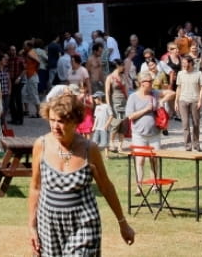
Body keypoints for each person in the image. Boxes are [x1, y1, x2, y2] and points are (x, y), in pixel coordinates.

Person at [28, 91, 134, 256]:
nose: (55, 126)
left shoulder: (89, 149)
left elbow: (106, 187)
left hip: (83, 222)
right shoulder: (41, 145)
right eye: (52, 120)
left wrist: (122, 223)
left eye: (61, 121)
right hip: (48, 224)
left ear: (75, 122)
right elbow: (35, 188)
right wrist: (32, 226)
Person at [126, 71, 176, 189]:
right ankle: (139, 186)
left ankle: (154, 184)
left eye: (152, 81)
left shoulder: (154, 93)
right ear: (142, 83)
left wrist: (161, 101)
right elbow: (130, 116)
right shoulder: (133, 97)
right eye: (149, 81)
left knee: (154, 159)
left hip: (155, 133)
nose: (152, 83)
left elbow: (172, 93)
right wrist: (146, 110)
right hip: (139, 134)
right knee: (140, 160)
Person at [175, 54, 202, 151]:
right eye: (182, 63)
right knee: (185, 124)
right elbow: (178, 88)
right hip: (183, 100)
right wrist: (176, 101)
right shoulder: (180, 74)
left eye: (185, 63)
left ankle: (196, 144)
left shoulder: (198, 74)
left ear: (191, 63)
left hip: (195, 100)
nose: (183, 65)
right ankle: (188, 146)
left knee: (196, 123)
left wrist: (200, 100)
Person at [104, 59, 130, 153]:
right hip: (115, 103)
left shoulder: (123, 76)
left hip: (124, 102)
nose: (123, 67)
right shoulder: (110, 77)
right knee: (115, 124)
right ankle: (111, 142)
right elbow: (107, 92)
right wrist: (108, 105)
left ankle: (120, 146)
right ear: (118, 66)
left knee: (123, 125)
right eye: (122, 65)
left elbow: (126, 89)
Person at [91, 92, 112, 156]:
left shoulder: (107, 106)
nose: (94, 100)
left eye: (95, 98)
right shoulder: (97, 107)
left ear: (99, 98)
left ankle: (106, 155)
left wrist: (107, 125)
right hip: (97, 128)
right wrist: (94, 126)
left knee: (105, 142)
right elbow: (96, 118)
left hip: (104, 128)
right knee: (94, 142)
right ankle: (95, 155)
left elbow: (111, 116)